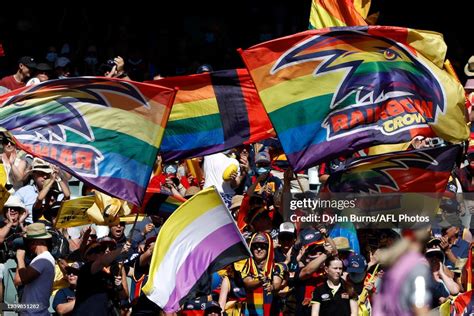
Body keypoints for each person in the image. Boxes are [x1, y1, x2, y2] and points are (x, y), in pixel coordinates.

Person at [72, 240, 131, 315]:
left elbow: (123, 297)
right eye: (97, 251)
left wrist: (119, 286)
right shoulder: (85, 269)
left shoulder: (109, 274)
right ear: (87, 256)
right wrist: (121, 249)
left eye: (102, 250)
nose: (101, 253)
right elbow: (101, 262)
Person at [13, 223, 55, 316]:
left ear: (36, 242)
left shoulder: (43, 259)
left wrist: (20, 258)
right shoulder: (42, 258)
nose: (28, 246)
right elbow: (18, 280)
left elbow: (24, 278)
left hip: (35, 313)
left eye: (29, 242)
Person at [241, 232, 286, 315]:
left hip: (272, 311)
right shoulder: (246, 267)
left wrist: (272, 287)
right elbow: (248, 283)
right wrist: (260, 281)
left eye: (263, 246)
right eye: (255, 246)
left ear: (268, 248)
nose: (259, 249)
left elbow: (276, 283)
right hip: (251, 312)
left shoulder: (278, 267)